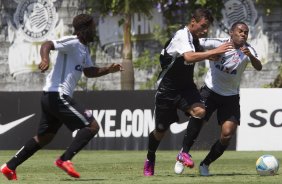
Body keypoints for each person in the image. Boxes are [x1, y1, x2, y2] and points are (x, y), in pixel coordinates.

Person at [0, 14, 123, 180]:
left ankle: (10, 166)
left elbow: (89, 71)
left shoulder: (84, 48)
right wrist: (45, 59)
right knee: (92, 126)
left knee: (44, 138)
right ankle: (65, 160)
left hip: (50, 97)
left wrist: (108, 69)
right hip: (58, 94)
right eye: (93, 27)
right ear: (85, 28)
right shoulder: (72, 42)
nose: (95, 30)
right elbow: (47, 44)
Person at [143, 8, 234, 176]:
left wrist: (211, 55)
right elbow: (189, 57)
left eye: (207, 27)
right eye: (203, 26)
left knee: (200, 111)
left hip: (186, 88)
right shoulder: (181, 35)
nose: (205, 30)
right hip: (167, 90)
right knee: (160, 131)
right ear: (193, 21)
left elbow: (199, 52)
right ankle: (150, 157)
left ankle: (183, 152)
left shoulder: (195, 39)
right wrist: (213, 52)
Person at [174, 21, 262, 176]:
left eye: (246, 32)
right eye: (240, 31)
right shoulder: (218, 43)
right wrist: (207, 53)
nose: (243, 34)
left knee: (227, 134)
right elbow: (194, 43)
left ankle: (205, 164)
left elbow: (259, 66)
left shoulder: (248, 50)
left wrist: (250, 56)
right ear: (231, 32)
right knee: (198, 119)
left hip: (231, 97)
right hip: (210, 91)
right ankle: (183, 154)